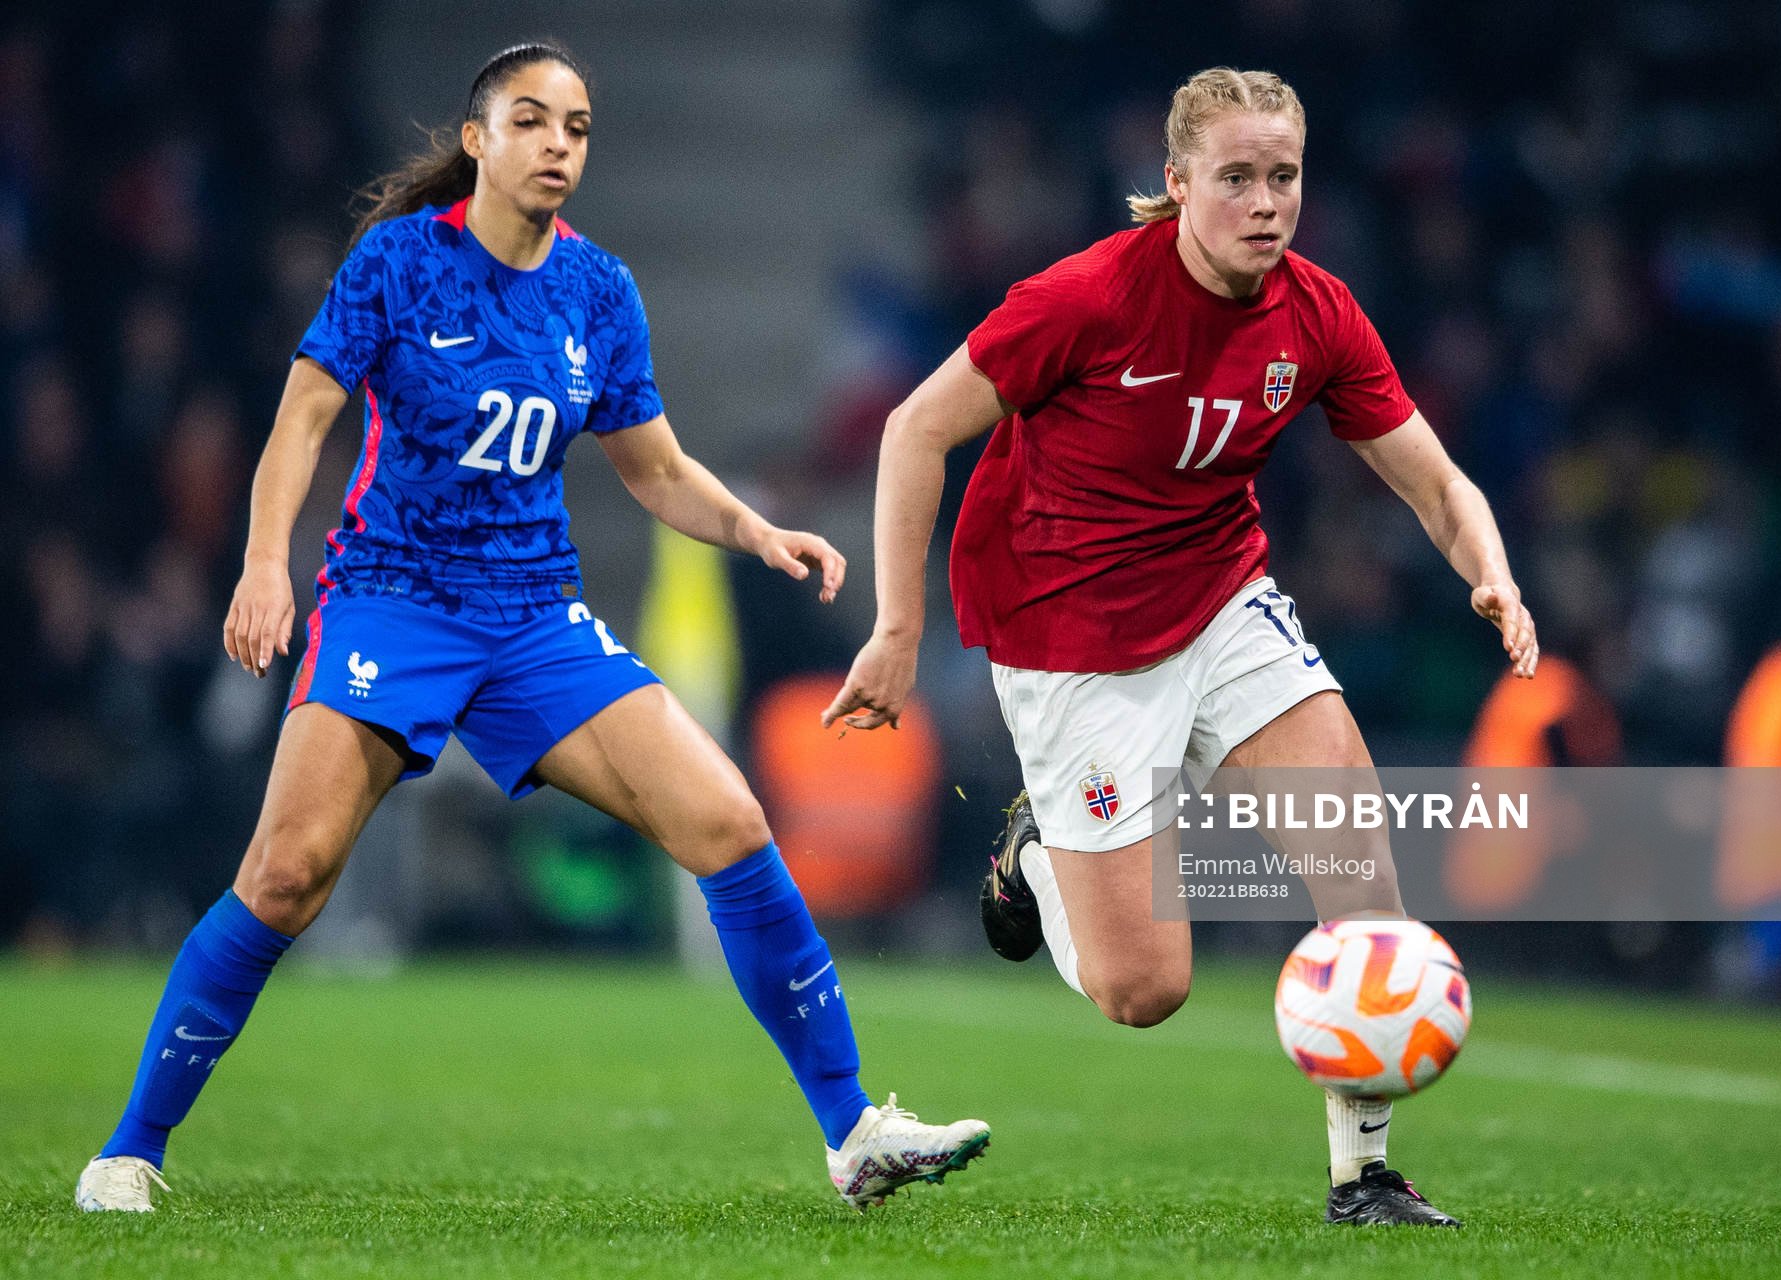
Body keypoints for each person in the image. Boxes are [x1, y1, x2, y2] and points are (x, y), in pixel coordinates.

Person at [75, 41, 988, 1215]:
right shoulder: (399, 261)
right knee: (288, 874)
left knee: (729, 819)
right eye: (534, 120)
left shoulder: (598, 288)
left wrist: (761, 533)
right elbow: (305, 416)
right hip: (393, 600)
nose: (560, 144)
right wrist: (264, 566)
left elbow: (653, 471)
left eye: (579, 127)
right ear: (479, 139)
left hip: (534, 617)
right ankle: (129, 1148)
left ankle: (854, 1129)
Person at [825, 67, 1538, 1227]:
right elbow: (916, 428)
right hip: (1071, 637)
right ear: (1177, 183)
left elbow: (1439, 484)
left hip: (1221, 600)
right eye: (1238, 178)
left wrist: (1492, 571)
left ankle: (1364, 1175)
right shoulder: (1086, 297)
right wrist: (897, 631)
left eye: (1285, 177)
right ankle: (1038, 858)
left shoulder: (1317, 313)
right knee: (1144, 989)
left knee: (1357, 859)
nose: (1265, 203)